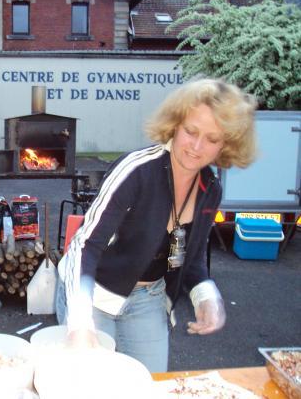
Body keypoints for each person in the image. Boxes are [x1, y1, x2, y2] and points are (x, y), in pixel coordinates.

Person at [57, 78, 257, 372]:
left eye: (213, 139)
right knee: (93, 384)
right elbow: (85, 246)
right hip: (93, 292)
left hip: (148, 298)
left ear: (226, 144)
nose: (197, 147)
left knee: (151, 386)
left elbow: (188, 255)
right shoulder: (136, 171)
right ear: (175, 124)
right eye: (191, 131)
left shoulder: (210, 189)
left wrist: (204, 294)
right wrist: (80, 319)